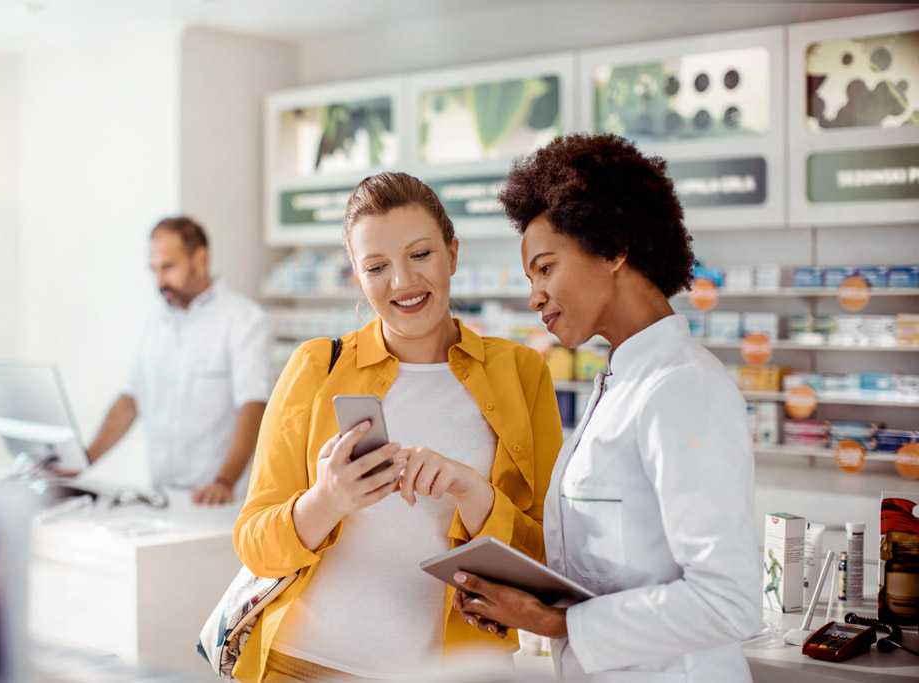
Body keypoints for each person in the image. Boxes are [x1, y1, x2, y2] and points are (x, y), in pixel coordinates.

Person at [452, 134, 760, 682]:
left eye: (545, 268)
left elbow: (728, 601)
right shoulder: (620, 384)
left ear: (615, 249)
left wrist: (557, 623)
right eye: (530, 278)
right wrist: (523, 600)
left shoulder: (684, 387)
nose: (534, 296)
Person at [233, 172, 562, 682]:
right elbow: (254, 543)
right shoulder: (316, 367)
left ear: (452, 253)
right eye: (377, 267)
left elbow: (548, 557)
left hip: (459, 673)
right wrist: (327, 500)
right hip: (303, 667)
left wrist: (473, 493)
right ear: (357, 277)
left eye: (420, 254)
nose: (403, 282)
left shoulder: (520, 372)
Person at [86, 216, 271, 506]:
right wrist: (83, 460)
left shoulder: (244, 319)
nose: (160, 281)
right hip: (161, 495)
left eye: (168, 267)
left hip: (220, 496)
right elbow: (130, 401)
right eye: (154, 269)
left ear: (200, 258)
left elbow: (254, 406)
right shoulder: (153, 323)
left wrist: (224, 481)